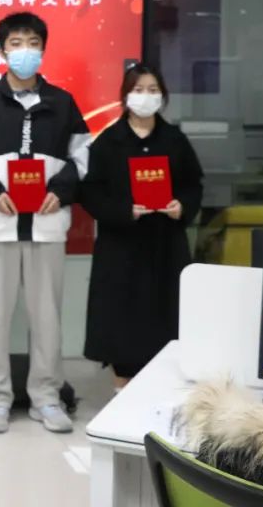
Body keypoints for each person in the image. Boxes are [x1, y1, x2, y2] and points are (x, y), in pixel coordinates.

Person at [0, 12, 91, 435]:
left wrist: (62, 189)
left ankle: (46, 397)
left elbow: (84, 155)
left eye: (32, 43)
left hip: (46, 227)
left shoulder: (62, 103)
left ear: (43, 50)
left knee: (47, 319)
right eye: (16, 43)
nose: (24, 51)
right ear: (2, 50)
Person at [82, 64, 203, 389]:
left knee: (166, 316)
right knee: (121, 319)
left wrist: (182, 206)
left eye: (152, 90)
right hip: (121, 246)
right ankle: (122, 388)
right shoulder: (108, 141)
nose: (145, 97)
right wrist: (123, 211)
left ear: (163, 96)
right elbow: (90, 192)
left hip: (166, 244)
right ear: (125, 96)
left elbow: (193, 185)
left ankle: (163, 389)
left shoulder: (175, 140)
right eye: (138, 90)